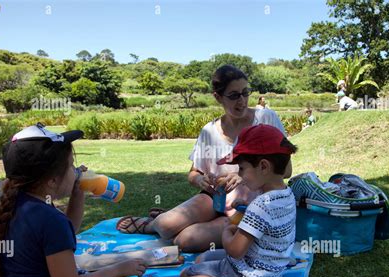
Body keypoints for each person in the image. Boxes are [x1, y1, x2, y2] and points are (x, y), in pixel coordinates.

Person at [116, 65, 291, 253]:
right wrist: (200, 179)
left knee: (184, 241)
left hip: (251, 205)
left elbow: (286, 170)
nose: (242, 101)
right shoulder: (209, 131)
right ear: (217, 97)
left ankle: (195, 224)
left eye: (245, 93)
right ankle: (152, 225)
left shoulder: (266, 119)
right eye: (233, 95)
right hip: (215, 198)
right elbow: (193, 173)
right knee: (166, 225)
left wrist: (245, 176)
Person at [0, 123, 154, 277]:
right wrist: (119, 269)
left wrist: (77, 194)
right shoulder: (50, 219)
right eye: (71, 166)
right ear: (52, 181)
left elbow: (63, 235)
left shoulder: (19, 205)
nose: (76, 171)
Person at [179, 124, 298, 277]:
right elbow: (269, 221)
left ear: (263, 166)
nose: (239, 174)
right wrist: (246, 208)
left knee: (187, 276)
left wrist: (227, 232)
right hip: (273, 271)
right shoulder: (286, 194)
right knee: (204, 257)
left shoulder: (260, 206)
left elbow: (235, 251)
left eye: (242, 168)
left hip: (250, 276)